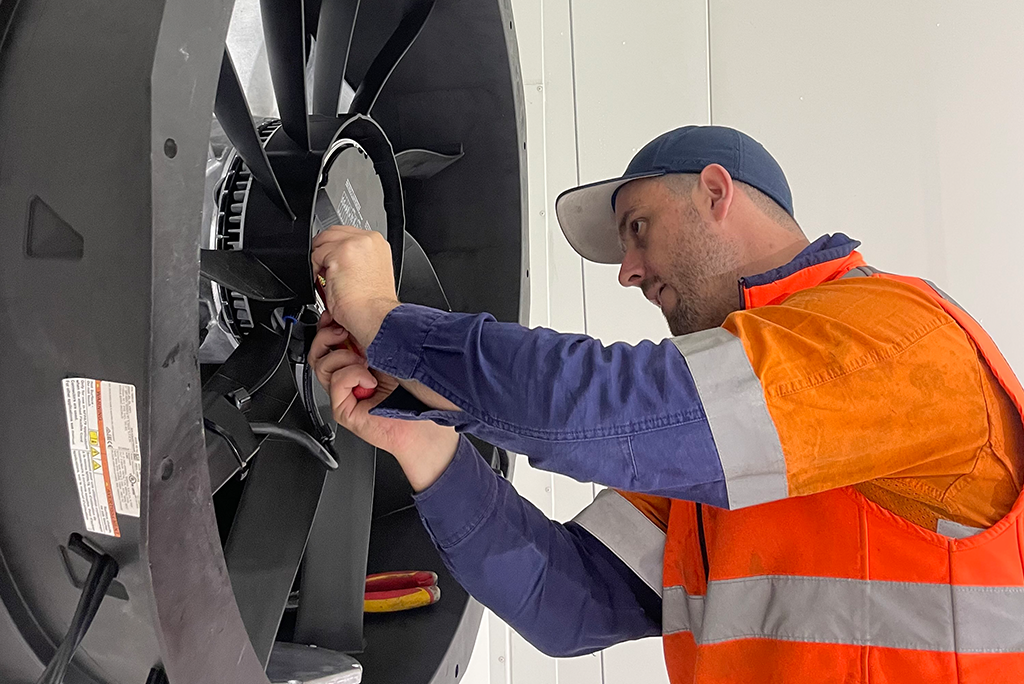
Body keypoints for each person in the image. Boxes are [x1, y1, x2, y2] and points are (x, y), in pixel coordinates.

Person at [309, 126, 1024, 682]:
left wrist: (387, 318)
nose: (627, 273)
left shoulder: (895, 339)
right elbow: (571, 602)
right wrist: (430, 451)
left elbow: (607, 412)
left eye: (638, 228)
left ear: (717, 193)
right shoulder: (734, 446)